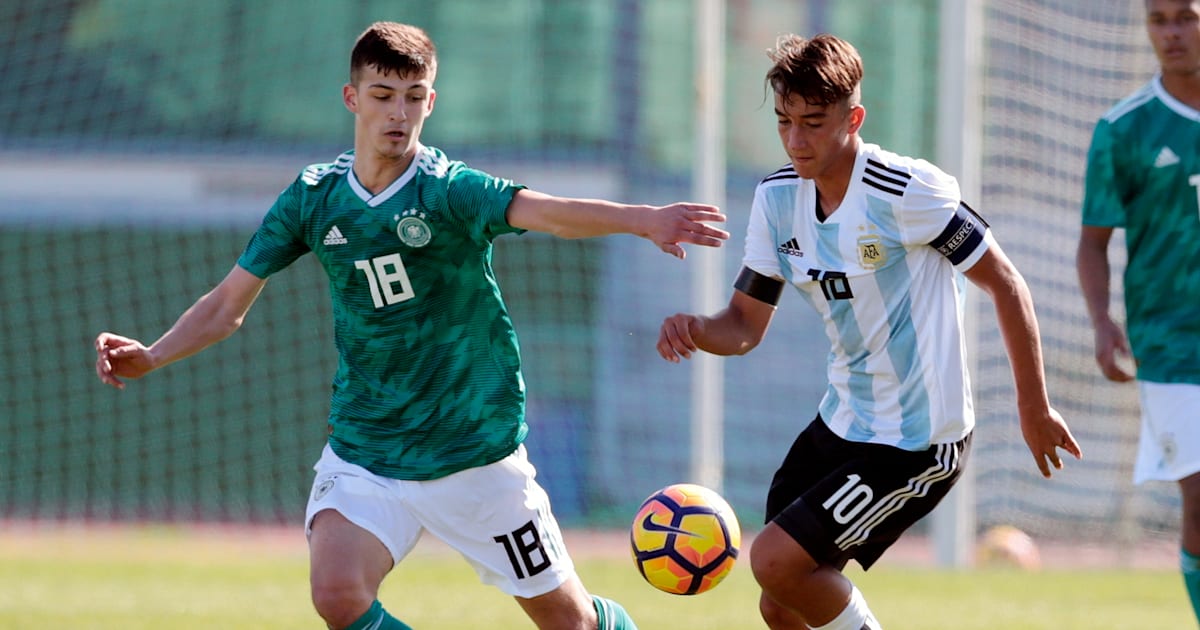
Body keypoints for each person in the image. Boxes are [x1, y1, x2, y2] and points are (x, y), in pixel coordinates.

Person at [93, 21, 729, 630]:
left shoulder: (448, 190)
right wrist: (153, 355)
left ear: (432, 102)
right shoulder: (314, 198)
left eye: (414, 97)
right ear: (352, 98)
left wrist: (644, 218)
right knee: (338, 595)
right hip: (369, 452)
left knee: (571, 622)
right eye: (383, 95)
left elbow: (549, 213)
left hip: (475, 454)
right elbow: (227, 303)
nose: (399, 113)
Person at [657, 33, 1082, 630]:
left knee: (778, 562)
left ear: (853, 117)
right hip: (844, 422)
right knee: (780, 602)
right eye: (784, 122)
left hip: (918, 439)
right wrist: (696, 328)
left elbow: (1006, 283)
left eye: (813, 121)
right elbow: (745, 326)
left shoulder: (908, 192)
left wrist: (1033, 406)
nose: (796, 140)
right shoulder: (778, 200)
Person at [1077, 0, 1200, 623]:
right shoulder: (1124, 129)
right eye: (1159, 19)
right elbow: (1093, 242)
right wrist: (1102, 322)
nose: (1172, 33)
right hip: (1173, 346)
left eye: (1187, 16)